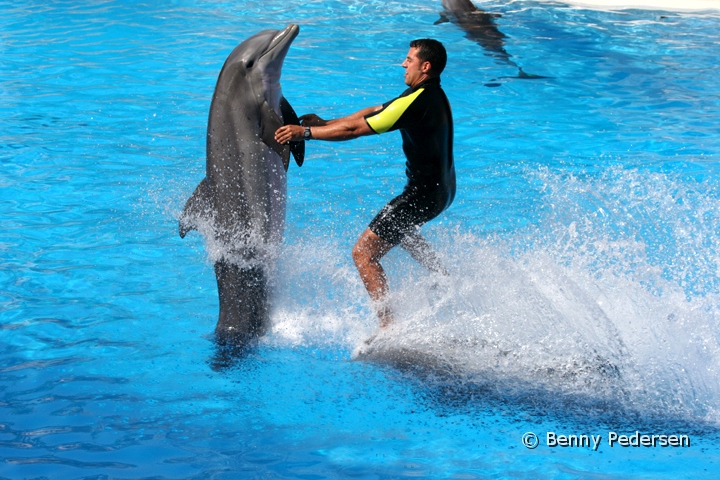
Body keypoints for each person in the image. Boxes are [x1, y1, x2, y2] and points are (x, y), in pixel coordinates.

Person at [275, 39, 455, 328]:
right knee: (402, 230)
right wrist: (324, 122)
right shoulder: (427, 94)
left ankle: (388, 328)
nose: (403, 64)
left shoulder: (417, 101)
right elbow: (373, 111)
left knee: (363, 253)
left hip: (422, 195)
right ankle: (445, 279)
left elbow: (356, 129)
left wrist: (305, 133)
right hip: (443, 192)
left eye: (409, 59)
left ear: (426, 66)